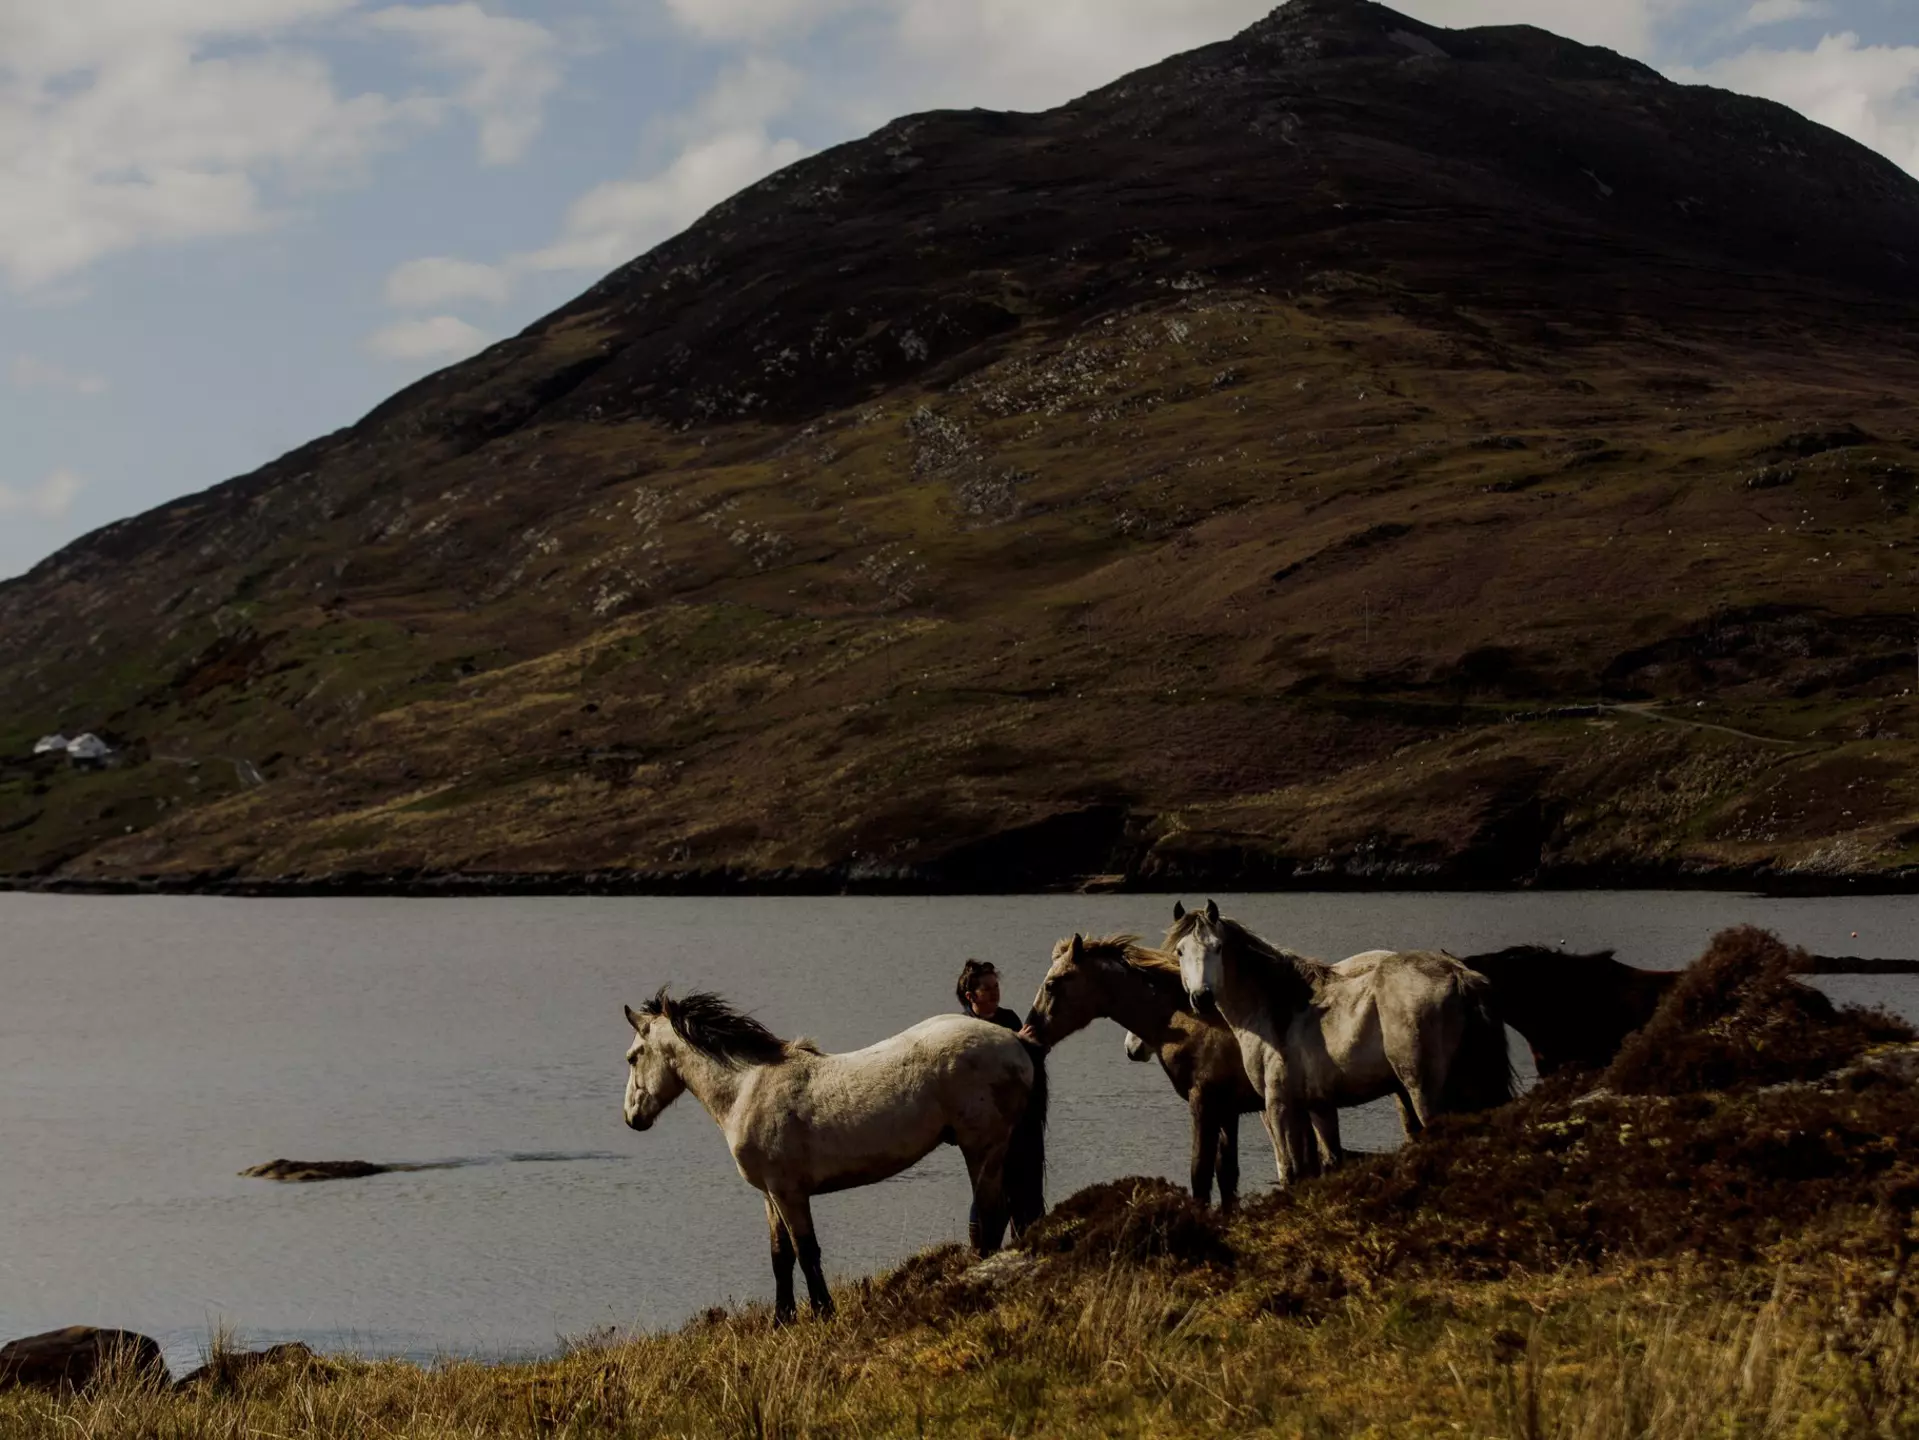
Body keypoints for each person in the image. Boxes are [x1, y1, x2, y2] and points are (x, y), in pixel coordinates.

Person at [954, 959, 1024, 1033]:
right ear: (971, 997)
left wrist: (1022, 1040)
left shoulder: (1009, 1018)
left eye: (996, 986)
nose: (995, 992)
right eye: (987, 989)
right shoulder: (963, 1025)